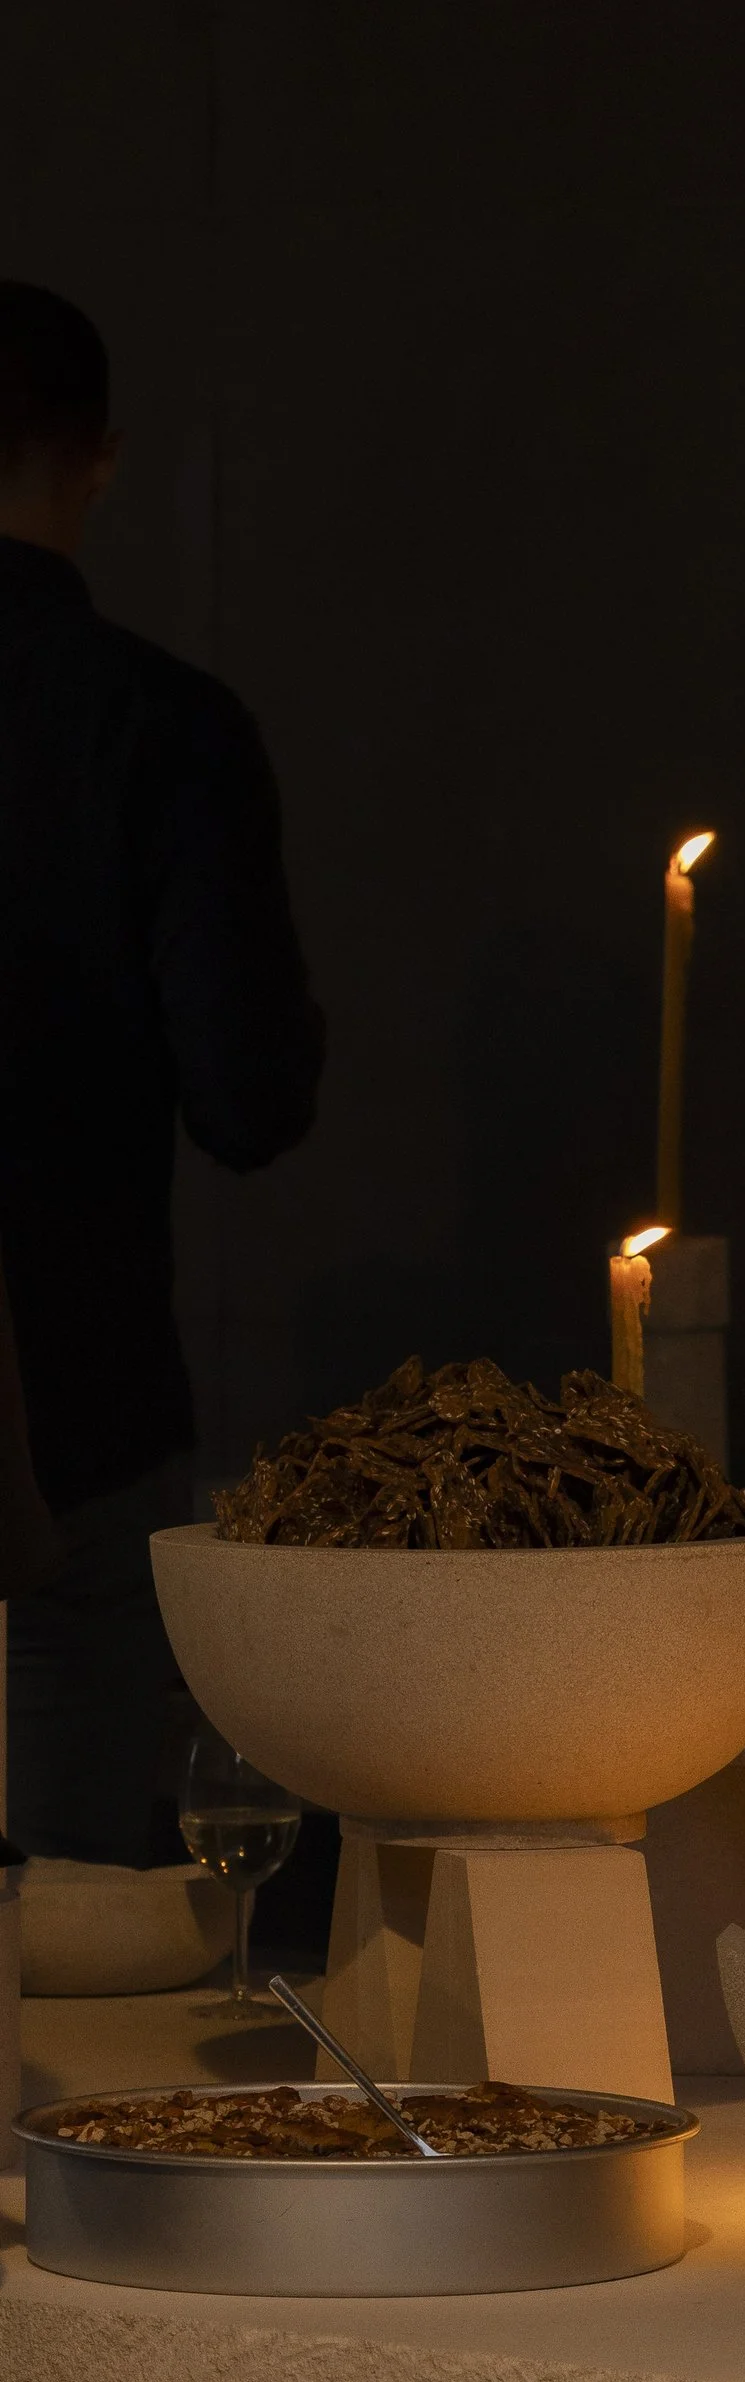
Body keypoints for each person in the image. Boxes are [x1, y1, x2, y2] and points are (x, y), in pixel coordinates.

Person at [0, 282, 322, 1862]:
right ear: (99, 461)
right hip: (78, 1402)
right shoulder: (159, 730)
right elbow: (252, 1094)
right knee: (59, 1957)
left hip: (76, 1415)